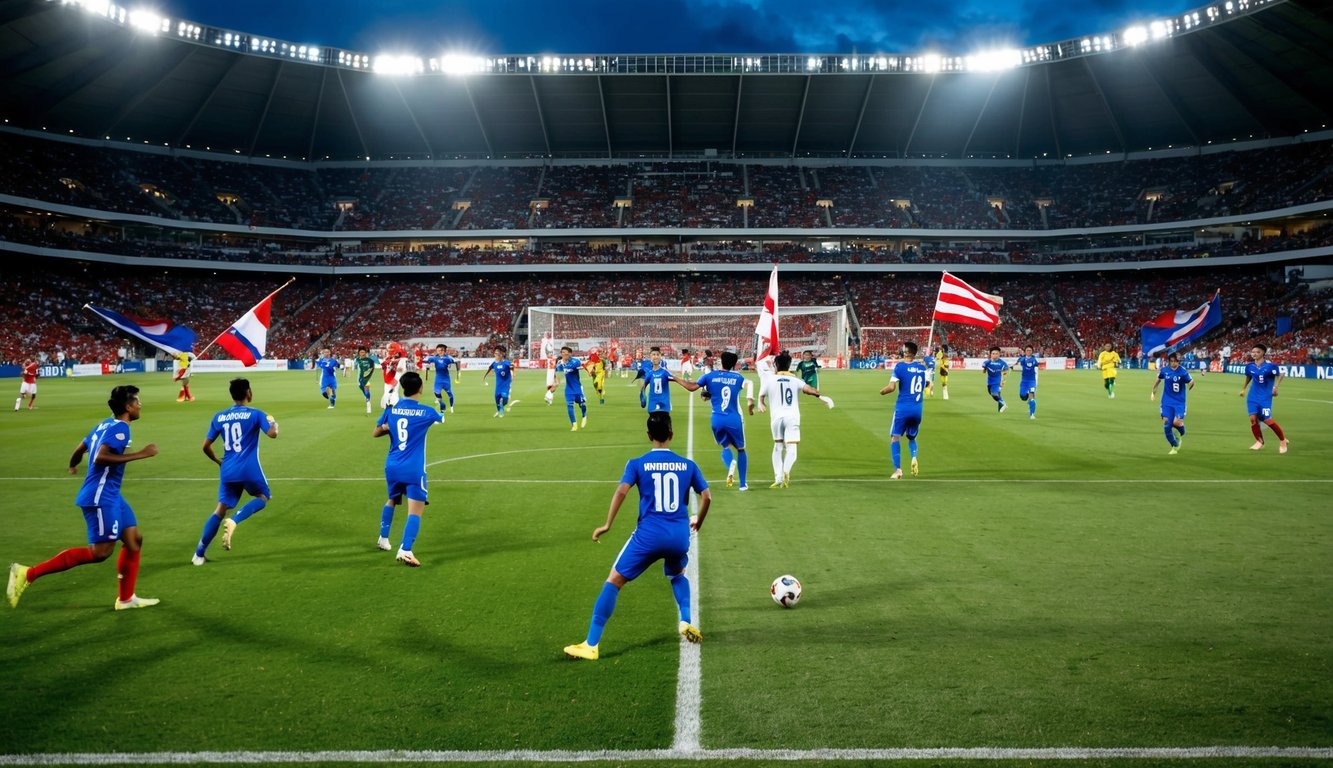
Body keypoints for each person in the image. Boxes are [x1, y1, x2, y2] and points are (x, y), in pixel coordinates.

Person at [563, 412, 710, 661]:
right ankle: (685, 621)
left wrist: (607, 524)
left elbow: (621, 491)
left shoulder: (637, 463)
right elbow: (706, 497)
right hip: (678, 535)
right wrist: (699, 522)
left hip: (649, 535)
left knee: (614, 581)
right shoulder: (688, 465)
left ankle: (591, 644)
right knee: (677, 573)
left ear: (648, 435)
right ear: (671, 435)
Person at [7, 385, 159, 610]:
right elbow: (100, 457)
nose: (140, 405)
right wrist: (141, 454)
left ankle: (126, 599)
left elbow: (81, 448)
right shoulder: (121, 429)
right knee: (101, 553)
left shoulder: (103, 424)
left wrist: (72, 464)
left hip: (111, 494)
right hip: (100, 496)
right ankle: (27, 573)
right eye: (137, 402)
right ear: (128, 407)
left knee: (134, 540)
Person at [192, 378, 279, 565]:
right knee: (263, 497)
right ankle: (236, 520)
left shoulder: (219, 416)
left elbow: (205, 446)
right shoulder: (256, 414)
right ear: (249, 393)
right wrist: (274, 423)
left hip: (228, 469)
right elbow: (272, 434)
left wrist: (217, 461)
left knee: (220, 509)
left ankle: (199, 554)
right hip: (248, 468)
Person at [373, 372, 443, 566]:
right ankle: (405, 549)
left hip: (392, 465)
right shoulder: (427, 412)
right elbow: (441, 418)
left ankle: (383, 538)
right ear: (420, 388)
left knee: (392, 499)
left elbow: (376, 432)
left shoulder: (391, 409)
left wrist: (389, 427)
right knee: (415, 511)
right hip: (413, 469)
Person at [759, 352, 834, 488]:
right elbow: (810, 390)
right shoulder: (796, 380)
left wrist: (761, 403)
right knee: (791, 448)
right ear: (789, 366)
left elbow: (761, 395)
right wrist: (822, 397)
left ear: (776, 365)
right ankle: (786, 472)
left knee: (778, 446)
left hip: (776, 418)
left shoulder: (769, 380)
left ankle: (778, 477)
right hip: (792, 417)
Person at [696, 351, 752, 491]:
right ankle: (743, 484)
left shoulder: (711, 376)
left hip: (717, 418)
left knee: (725, 446)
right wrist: (750, 400)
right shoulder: (737, 377)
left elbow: (703, 396)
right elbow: (749, 384)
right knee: (741, 449)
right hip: (735, 417)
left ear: (721, 361)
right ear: (734, 365)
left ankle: (730, 463)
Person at [879, 341, 927, 479]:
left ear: (906, 352)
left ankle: (898, 470)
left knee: (895, 437)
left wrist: (882, 391)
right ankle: (913, 457)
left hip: (903, 408)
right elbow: (926, 385)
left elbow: (891, 387)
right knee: (912, 437)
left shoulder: (899, 367)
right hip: (917, 408)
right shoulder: (922, 368)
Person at [1238, 343, 1288, 453]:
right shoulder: (1249, 366)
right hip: (1252, 396)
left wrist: (1276, 387)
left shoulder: (1270, 366)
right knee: (1252, 419)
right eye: (1253, 352)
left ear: (1263, 353)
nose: (1254, 354)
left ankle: (1283, 441)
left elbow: (1281, 374)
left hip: (1265, 397)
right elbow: (1249, 377)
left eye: (1257, 352)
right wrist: (1243, 389)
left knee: (1267, 420)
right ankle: (1259, 441)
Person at [1150, 352, 1193, 455]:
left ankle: (1180, 433)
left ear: (1178, 361)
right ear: (1169, 361)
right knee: (1167, 424)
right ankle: (1175, 444)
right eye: (1171, 361)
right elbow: (1157, 382)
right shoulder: (1164, 371)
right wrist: (1153, 393)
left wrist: (1190, 385)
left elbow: (1191, 381)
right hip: (1166, 401)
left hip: (1179, 402)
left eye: (1175, 361)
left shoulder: (1182, 371)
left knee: (1176, 422)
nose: (1173, 363)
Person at [640, 346, 700, 412]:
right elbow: (643, 386)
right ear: (650, 357)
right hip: (652, 408)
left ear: (660, 356)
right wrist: (642, 396)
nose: (656, 357)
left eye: (657, 354)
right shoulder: (649, 374)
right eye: (653, 355)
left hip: (664, 407)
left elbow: (678, 380)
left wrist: (697, 384)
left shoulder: (664, 372)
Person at [555, 346, 590, 431]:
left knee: (581, 404)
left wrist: (563, 366)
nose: (563, 354)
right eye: (562, 352)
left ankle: (584, 415)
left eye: (564, 352)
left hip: (577, 388)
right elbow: (557, 371)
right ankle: (574, 425)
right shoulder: (560, 363)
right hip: (569, 388)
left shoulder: (575, 361)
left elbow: (572, 367)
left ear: (569, 353)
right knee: (569, 405)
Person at [481, 345, 517, 417]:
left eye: (497, 354)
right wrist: (484, 377)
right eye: (495, 353)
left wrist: (513, 374)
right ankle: (500, 408)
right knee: (497, 398)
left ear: (501, 355)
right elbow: (489, 369)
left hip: (506, 384)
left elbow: (512, 367)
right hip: (498, 386)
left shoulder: (506, 363)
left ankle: (502, 406)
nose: (495, 355)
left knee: (504, 396)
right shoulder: (494, 364)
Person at [426, 343, 460, 415]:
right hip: (438, 378)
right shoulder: (435, 358)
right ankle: (440, 402)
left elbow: (456, 362)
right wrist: (428, 366)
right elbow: (428, 361)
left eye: (438, 350)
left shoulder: (447, 358)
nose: (437, 351)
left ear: (442, 351)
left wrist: (458, 372)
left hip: (446, 379)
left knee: (450, 394)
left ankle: (451, 408)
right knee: (436, 392)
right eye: (437, 350)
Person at [982, 346, 1009, 413]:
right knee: (991, 393)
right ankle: (1002, 404)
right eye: (993, 353)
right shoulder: (987, 362)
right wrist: (985, 369)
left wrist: (1002, 383)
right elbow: (984, 371)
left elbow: (1005, 373)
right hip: (989, 381)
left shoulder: (1002, 363)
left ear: (999, 354)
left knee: (994, 393)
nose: (995, 355)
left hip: (997, 381)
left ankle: (1003, 403)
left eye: (996, 353)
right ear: (990, 354)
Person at [1016, 345, 1040, 419]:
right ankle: (1027, 396)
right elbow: (1016, 364)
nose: (1028, 352)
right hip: (1024, 381)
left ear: (1032, 351)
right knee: (1023, 396)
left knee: (1032, 396)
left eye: (1030, 350)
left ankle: (1032, 414)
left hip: (1032, 380)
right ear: (1025, 351)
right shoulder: (1022, 359)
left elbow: (1035, 369)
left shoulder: (1034, 360)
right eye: (1027, 350)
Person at [354, 346, 376, 415]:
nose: (362, 353)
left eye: (363, 352)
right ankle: (367, 399)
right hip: (359, 379)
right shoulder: (357, 360)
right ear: (359, 353)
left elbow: (372, 368)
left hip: (366, 378)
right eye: (361, 352)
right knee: (364, 391)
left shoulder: (370, 360)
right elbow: (354, 367)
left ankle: (368, 405)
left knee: (366, 390)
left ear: (365, 353)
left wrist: (367, 374)